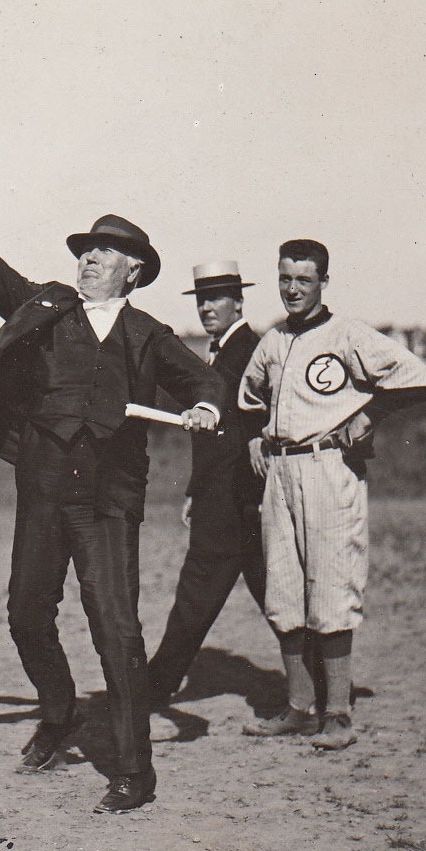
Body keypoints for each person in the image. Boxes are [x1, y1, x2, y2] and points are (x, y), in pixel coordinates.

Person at [0, 165, 229, 814]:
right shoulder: (46, 307)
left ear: (133, 270)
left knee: (116, 629)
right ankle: (59, 710)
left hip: (109, 501)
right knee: (25, 615)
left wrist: (208, 412)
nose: (87, 261)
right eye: (84, 252)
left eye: (102, 254)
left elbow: (206, 386)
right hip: (43, 488)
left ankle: (135, 771)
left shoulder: (149, 337)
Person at [238, 240, 426, 750]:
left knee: (330, 586)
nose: (293, 289)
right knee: (283, 589)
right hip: (279, 473)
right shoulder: (274, 340)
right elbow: (247, 397)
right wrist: (256, 435)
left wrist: (371, 414)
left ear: (324, 281)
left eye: (304, 279)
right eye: (285, 278)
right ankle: (299, 708)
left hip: (328, 469)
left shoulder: (346, 334)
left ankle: (338, 713)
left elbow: (414, 377)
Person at [147, 262, 269, 704]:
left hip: (240, 498)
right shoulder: (222, 352)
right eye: (201, 299)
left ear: (239, 301)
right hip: (223, 496)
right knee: (262, 595)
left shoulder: (250, 352)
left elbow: (244, 433)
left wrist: (213, 491)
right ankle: (320, 686)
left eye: (217, 297)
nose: (207, 307)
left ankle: (153, 687)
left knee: (201, 594)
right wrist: (195, 490)